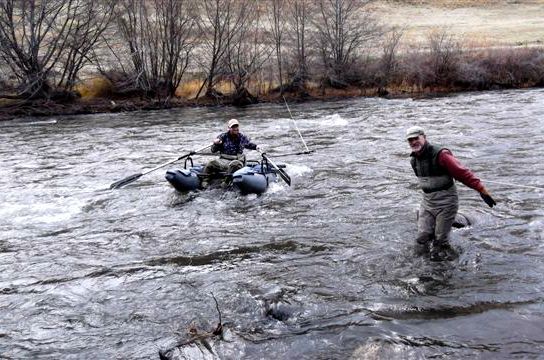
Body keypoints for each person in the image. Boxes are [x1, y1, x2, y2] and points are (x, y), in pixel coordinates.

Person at [406, 126, 497, 261]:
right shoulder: (414, 160)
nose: (414, 142)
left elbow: (463, 173)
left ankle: (453, 263)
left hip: (446, 203)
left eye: (416, 138)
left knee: (440, 241)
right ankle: (419, 264)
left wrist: (481, 190)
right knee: (422, 238)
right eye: (410, 140)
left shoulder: (442, 155)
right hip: (427, 203)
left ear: (424, 137)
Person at [201, 119, 261, 189]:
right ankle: (204, 182)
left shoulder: (242, 137)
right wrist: (216, 144)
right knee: (211, 163)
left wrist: (256, 146)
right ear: (229, 128)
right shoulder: (223, 137)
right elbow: (213, 150)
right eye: (233, 127)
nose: (235, 129)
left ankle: (226, 182)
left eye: (236, 127)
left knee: (235, 164)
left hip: (237, 161)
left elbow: (249, 145)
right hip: (224, 161)